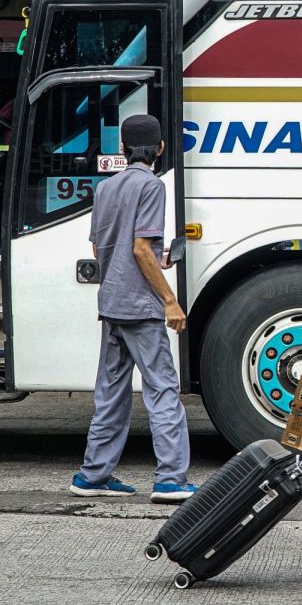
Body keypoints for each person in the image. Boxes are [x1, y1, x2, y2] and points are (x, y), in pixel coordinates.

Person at [69, 114, 196, 504]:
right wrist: (170, 300)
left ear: (122, 148)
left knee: (111, 392)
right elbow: (141, 247)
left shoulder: (106, 188)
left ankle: (93, 475)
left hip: (111, 303)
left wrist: (155, 259)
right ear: (159, 148)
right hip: (141, 307)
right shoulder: (151, 185)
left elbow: (100, 247)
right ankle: (172, 479)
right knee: (162, 390)